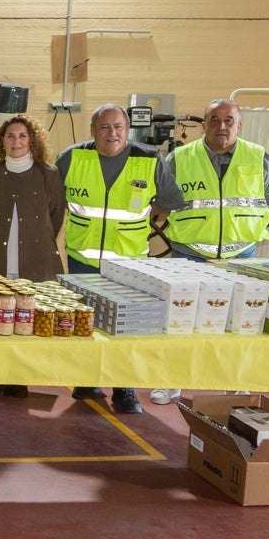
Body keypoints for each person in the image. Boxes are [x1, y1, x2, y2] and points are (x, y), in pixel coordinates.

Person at [150, 99, 269, 404]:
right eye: (214, 120)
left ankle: (237, 383)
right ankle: (171, 381)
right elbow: (162, 197)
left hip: (241, 257)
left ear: (239, 125)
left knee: (241, 325)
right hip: (189, 254)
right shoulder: (180, 158)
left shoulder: (258, 157)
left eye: (228, 121)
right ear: (204, 124)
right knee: (179, 322)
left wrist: (246, 225)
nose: (222, 126)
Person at [56, 103, 183, 414]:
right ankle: (88, 379)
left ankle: (125, 389)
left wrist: (145, 216)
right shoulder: (72, 157)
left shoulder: (150, 159)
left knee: (125, 328)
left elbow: (171, 200)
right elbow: (49, 197)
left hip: (129, 263)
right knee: (87, 324)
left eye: (118, 127)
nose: (112, 133)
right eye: (104, 127)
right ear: (92, 131)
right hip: (82, 260)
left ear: (128, 131)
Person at [0, 114, 65, 397]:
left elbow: (56, 215)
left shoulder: (48, 174)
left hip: (34, 257)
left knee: (25, 318)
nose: (16, 141)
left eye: (22, 136)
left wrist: (36, 239)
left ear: (32, 140)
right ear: (2, 142)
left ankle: (19, 377)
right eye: (10, 136)